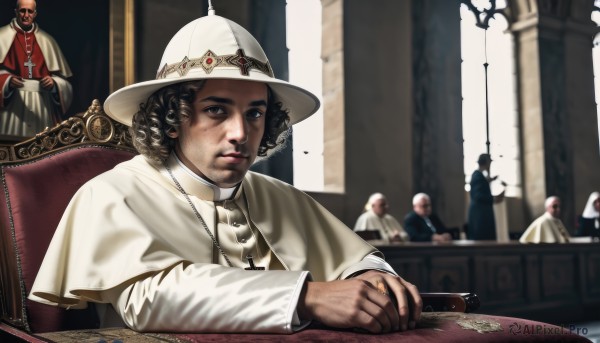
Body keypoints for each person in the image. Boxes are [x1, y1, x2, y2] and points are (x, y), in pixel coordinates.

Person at [28, 9, 421, 334]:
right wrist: (306, 296)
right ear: (173, 118)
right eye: (217, 110)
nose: (241, 133)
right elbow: (147, 300)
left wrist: (371, 278)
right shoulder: (113, 193)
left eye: (255, 113)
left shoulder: (279, 196)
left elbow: (357, 259)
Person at [0, 0, 72, 137]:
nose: (26, 15)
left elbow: (66, 84)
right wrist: (7, 81)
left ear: (35, 13)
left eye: (30, 11)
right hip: (12, 108)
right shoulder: (1, 37)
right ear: (16, 11)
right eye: (22, 11)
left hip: (42, 106)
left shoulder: (47, 41)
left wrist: (55, 84)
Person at [467, 153, 504, 240]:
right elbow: (478, 196)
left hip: (481, 215)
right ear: (486, 162)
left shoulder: (479, 175)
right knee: (483, 244)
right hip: (480, 217)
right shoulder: (477, 175)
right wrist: (494, 198)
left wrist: (491, 180)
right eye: (489, 162)